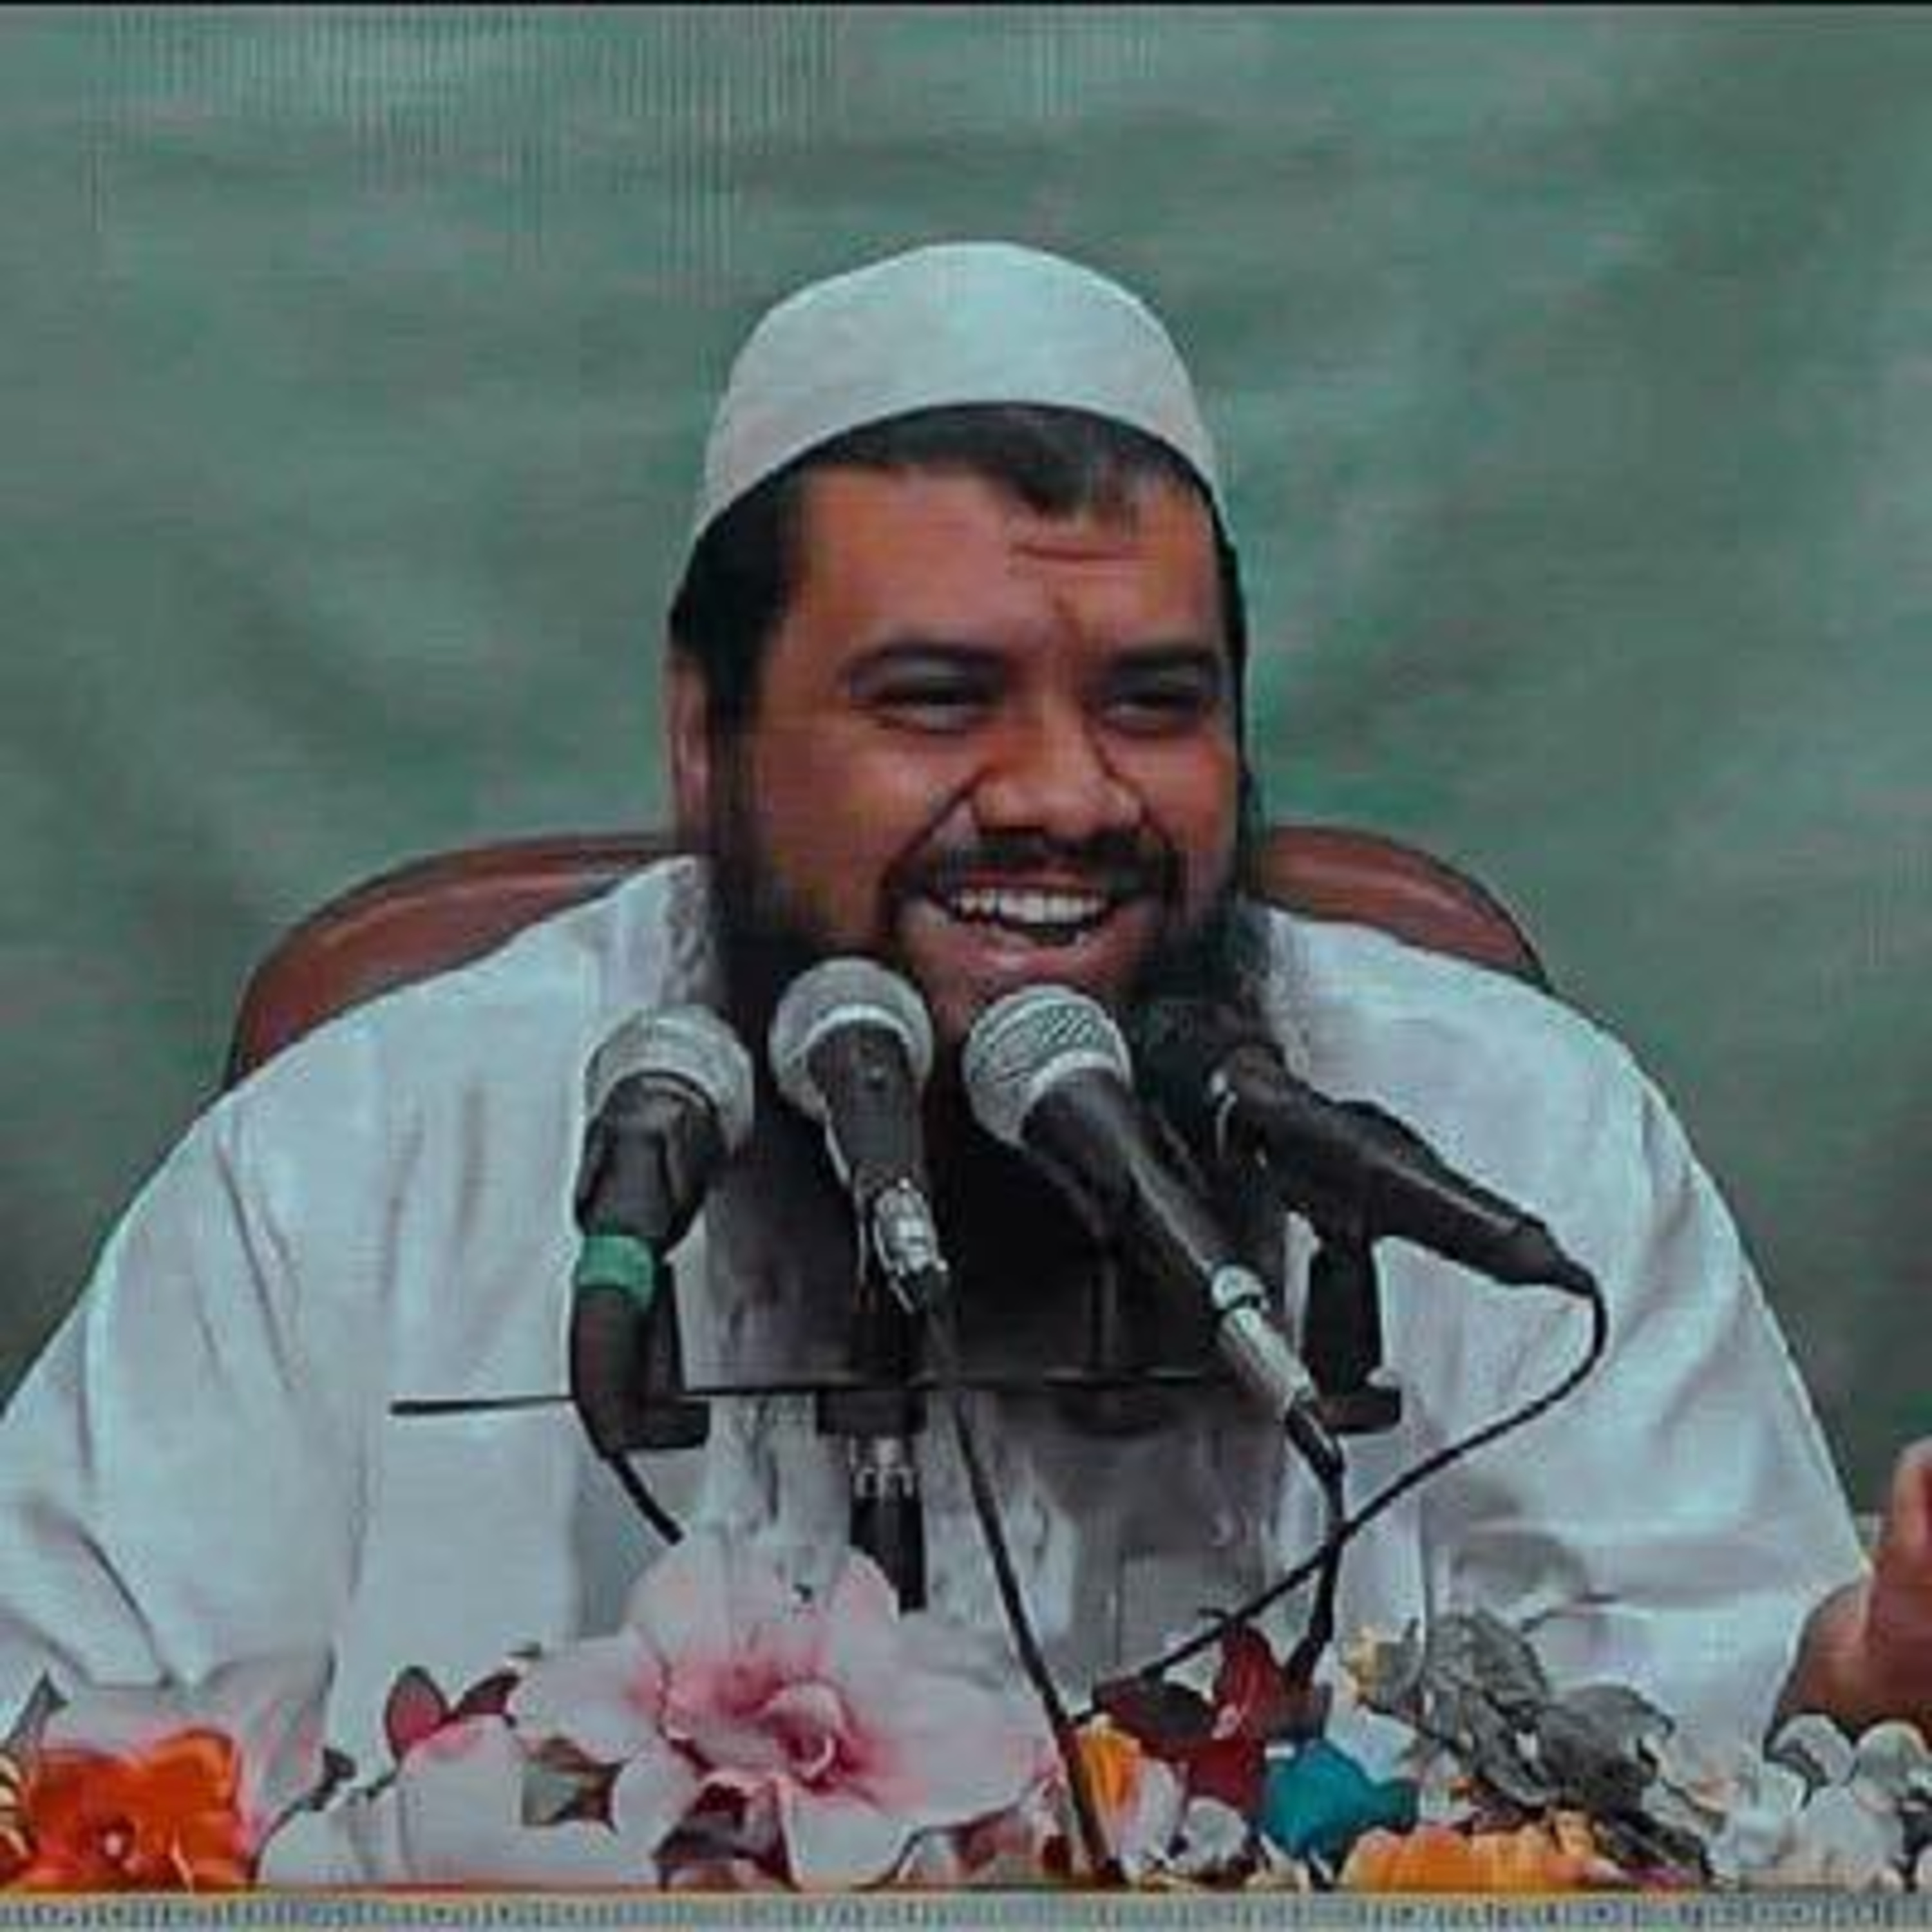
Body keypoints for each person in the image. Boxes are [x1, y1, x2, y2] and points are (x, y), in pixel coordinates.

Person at [0, 243, 1923, 1786]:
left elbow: (1733, 1736)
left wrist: (1863, 1680)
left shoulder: (1508, 1133)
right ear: (707, 736)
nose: (1066, 794)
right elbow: (59, 1759)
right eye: (936, 700)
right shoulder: (349, 1171)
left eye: (1155, 704)